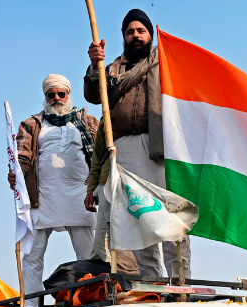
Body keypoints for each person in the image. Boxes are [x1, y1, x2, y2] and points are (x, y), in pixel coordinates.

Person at [84, 8, 191, 277]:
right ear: (124, 36)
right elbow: (94, 96)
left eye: (140, 31)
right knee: (140, 216)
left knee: (169, 217)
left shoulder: (164, 62)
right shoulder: (112, 69)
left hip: (159, 146)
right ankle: (152, 283)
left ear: (150, 35)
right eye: (130, 32)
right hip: (124, 148)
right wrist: (94, 64)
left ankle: (181, 283)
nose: (135, 36)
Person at [7, 74, 99, 307]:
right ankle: (30, 306)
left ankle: (91, 299)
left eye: (61, 94)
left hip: (80, 197)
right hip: (42, 197)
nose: (57, 98)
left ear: (68, 95)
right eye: (51, 94)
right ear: (45, 97)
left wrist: (97, 181)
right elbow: (22, 158)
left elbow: (101, 156)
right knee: (32, 255)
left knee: (88, 256)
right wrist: (16, 174)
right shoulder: (32, 124)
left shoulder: (87, 121)